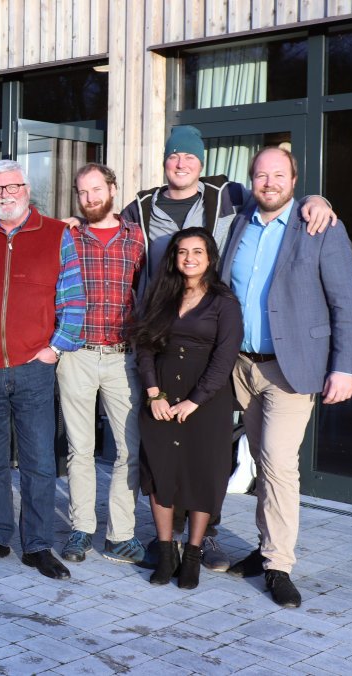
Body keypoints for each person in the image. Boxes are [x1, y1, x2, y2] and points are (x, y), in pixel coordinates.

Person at [118, 124, 336, 572]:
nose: (181, 164)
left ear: (202, 164)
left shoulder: (229, 197)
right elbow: (103, 224)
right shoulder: (141, 206)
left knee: (213, 450)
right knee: (168, 446)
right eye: (174, 157)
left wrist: (320, 200)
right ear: (165, 162)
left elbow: (277, 191)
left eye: (190, 158)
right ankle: (171, 541)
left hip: (227, 347)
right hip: (169, 336)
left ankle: (211, 539)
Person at [221, 147, 352, 608]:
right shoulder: (241, 221)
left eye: (278, 175)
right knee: (262, 463)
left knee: (279, 463)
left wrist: (344, 367)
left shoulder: (319, 226)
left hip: (291, 369)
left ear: (294, 179)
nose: (268, 183)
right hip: (242, 366)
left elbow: (347, 303)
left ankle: (279, 564)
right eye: (261, 175)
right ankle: (264, 548)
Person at [0, 159, 85, 580]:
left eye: (12, 187)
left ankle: (37, 544)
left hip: (35, 365)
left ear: (26, 189)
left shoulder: (56, 234)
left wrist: (55, 348)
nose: (5, 196)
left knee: (38, 461)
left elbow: (73, 299)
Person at [132, 227, 243, 590]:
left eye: (197, 252)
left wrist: (195, 401)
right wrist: (154, 393)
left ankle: (192, 554)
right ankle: (166, 553)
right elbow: (145, 346)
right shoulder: (161, 295)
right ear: (174, 257)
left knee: (202, 474)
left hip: (206, 403)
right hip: (161, 397)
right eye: (182, 252)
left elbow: (225, 358)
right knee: (159, 473)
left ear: (210, 257)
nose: (189, 258)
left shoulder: (224, 302)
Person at [57, 164, 146, 566]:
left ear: (112, 188)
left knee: (130, 448)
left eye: (96, 190)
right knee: (80, 449)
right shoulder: (67, 236)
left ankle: (120, 535)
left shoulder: (138, 238)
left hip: (122, 357)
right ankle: (80, 528)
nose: (90, 199)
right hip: (77, 354)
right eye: (83, 193)